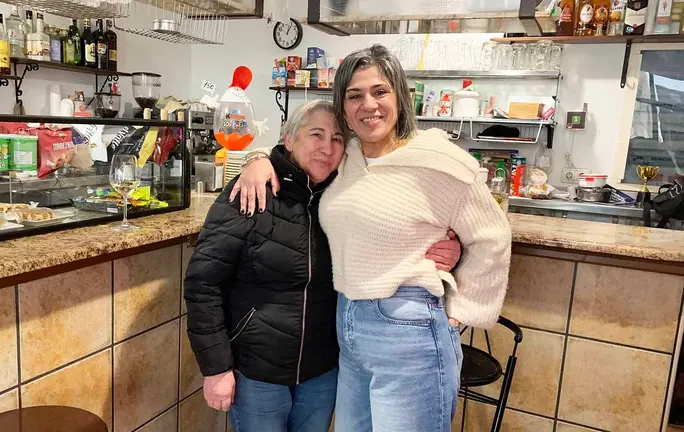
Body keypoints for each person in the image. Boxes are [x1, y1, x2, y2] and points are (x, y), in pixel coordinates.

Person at [232, 44, 512, 432]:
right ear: (343, 106)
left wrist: (464, 306)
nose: (369, 104)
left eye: (380, 91)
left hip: (409, 329)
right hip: (348, 328)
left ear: (399, 95)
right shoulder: (346, 155)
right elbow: (298, 146)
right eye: (355, 95)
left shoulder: (438, 159)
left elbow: (492, 234)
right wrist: (256, 159)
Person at [184, 100, 461, 432]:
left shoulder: (348, 199)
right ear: (290, 139)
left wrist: (450, 249)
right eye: (316, 134)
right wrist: (216, 369)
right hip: (256, 373)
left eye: (338, 139)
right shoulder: (253, 191)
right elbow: (203, 284)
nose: (326, 148)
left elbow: (398, 242)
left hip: (323, 371)